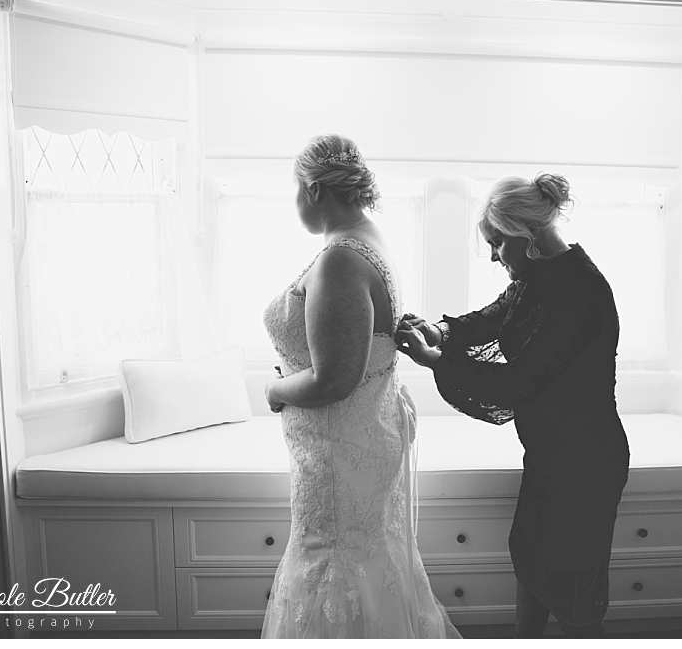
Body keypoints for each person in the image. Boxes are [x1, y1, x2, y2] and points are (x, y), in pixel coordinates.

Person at [396, 173, 630, 639]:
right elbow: (491, 318)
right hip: (550, 457)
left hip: (585, 466)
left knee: (574, 596)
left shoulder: (581, 290)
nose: (493, 256)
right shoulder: (536, 277)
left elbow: (517, 383)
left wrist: (436, 360)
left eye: (498, 243)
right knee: (531, 566)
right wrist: (439, 332)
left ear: (529, 234)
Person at [260, 134, 460, 639]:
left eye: (295, 188)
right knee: (366, 557)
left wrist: (275, 391)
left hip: (339, 452)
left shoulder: (340, 259)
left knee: (335, 560)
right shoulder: (369, 237)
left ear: (313, 189)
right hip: (359, 437)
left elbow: (334, 379)